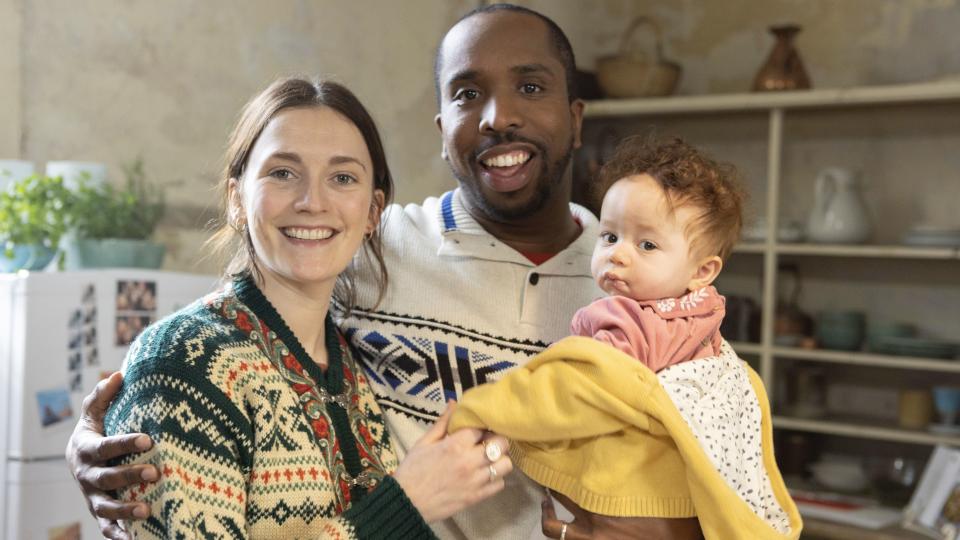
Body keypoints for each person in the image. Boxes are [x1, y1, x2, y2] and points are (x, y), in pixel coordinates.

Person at [65, 4, 670, 539]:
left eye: (531, 87)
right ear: (441, 132)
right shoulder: (383, 251)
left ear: (576, 116)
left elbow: (721, 451)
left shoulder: (646, 275)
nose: (497, 117)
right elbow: (222, 336)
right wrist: (111, 436)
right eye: (465, 93)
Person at [93, 76, 514, 538]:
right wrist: (406, 503)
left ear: (373, 213)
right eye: (282, 173)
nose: (312, 202)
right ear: (237, 199)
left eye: (342, 178)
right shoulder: (180, 361)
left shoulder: (353, 364)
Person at [448, 137, 802, 539]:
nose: (618, 254)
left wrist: (481, 410)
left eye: (647, 244)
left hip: (629, 502)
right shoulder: (699, 313)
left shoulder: (633, 320)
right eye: (610, 235)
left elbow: (577, 389)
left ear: (702, 271)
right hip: (680, 506)